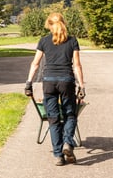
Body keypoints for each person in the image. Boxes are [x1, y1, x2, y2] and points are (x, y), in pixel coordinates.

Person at [25, 12, 85, 166]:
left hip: (49, 82)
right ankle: (67, 143)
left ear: (49, 26)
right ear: (63, 24)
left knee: (53, 118)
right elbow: (77, 65)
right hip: (67, 81)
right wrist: (82, 86)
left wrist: (28, 83)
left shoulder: (44, 41)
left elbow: (35, 63)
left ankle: (58, 156)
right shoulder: (72, 41)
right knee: (70, 114)